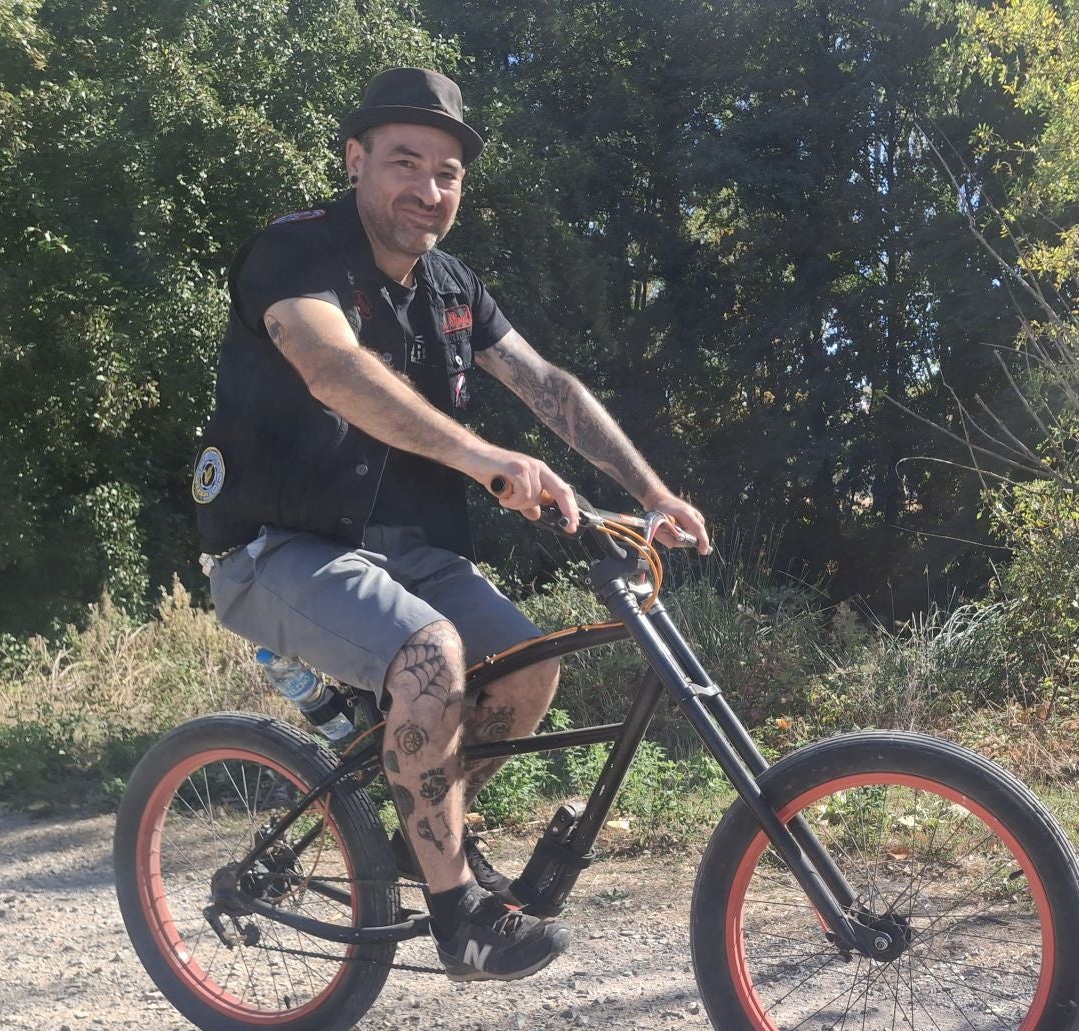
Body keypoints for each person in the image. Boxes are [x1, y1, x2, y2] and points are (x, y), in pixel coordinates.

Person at [191, 67, 710, 982]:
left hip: (406, 552)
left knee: (528, 666)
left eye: (447, 174)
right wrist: (486, 459)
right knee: (431, 657)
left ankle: (420, 843)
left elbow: (550, 388)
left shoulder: (453, 290)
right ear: (355, 161)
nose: (427, 191)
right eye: (404, 162)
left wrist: (653, 492)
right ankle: (458, 916)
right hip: (276, 544)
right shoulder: (295, 252)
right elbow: (333, 369)